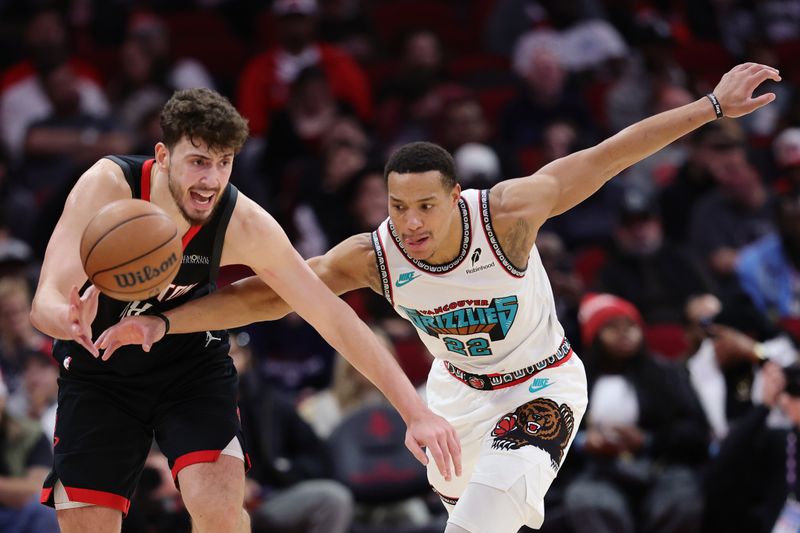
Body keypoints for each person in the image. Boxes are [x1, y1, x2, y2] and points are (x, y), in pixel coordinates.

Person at [97, 63, 781, 533]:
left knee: (481, 516)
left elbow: (611, 153)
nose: (412, 222)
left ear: (455, 197)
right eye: (399, 206)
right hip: (454, 393)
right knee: (478, 508)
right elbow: (264, 300)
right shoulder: (377, 253)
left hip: (542, 383)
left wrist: (713, 106)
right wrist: (163, 320)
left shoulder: (508, 214)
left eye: (426, 205)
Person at [29, 87, 459, 533]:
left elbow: (332, 316)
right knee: (88, 525)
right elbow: (44, 302)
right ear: (163, 154)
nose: (212, 180)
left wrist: (415, 412)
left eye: (225, 162)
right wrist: (69, 318)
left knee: (219, 508)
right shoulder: (107, 186)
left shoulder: (241, 221)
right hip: (98, 367)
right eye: (199, 161)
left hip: (187, 363)